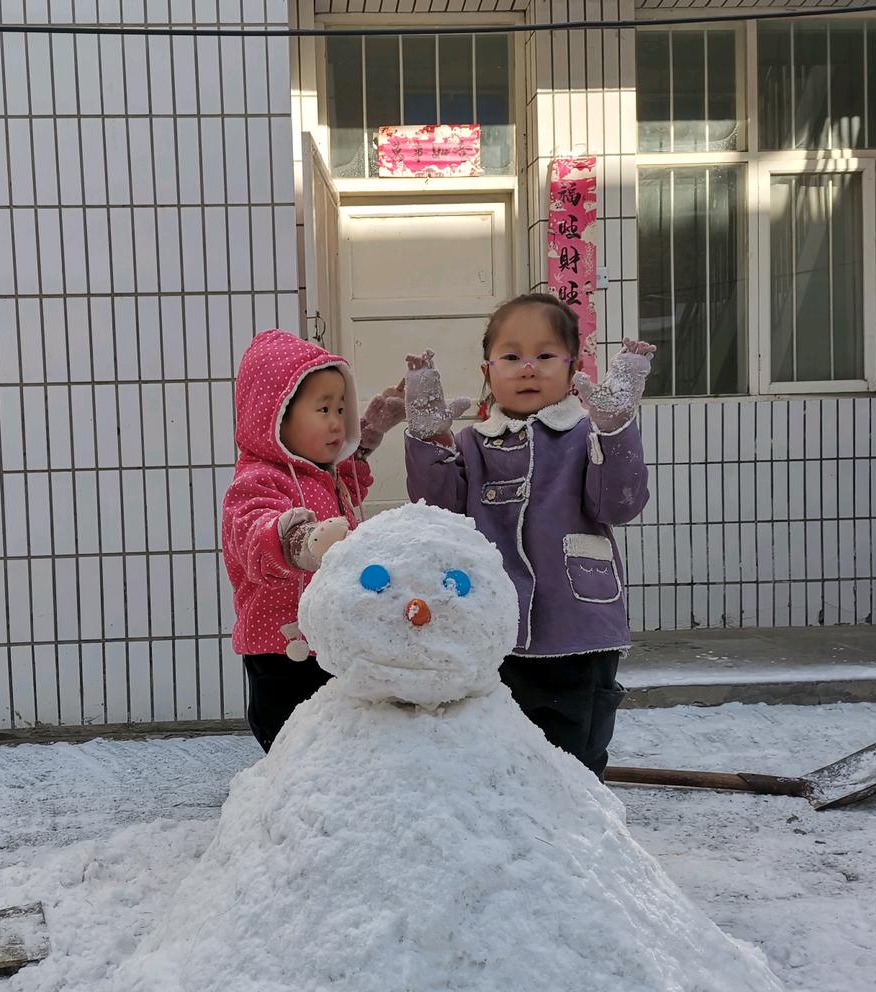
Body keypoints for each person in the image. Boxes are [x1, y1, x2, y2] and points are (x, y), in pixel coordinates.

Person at [400, 292, 654, 778]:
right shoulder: (471, 443)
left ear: (574, 368)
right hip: (493, 631)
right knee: (500, 756)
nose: (528, 368)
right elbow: (438, 511)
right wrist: (429, 441)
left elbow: (619, 506)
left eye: (545, 355)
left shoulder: (587, 434)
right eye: (512, 356)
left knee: (576, 753)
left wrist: (616, 428)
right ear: (487, 371)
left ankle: (577, 820)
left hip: (577, 627)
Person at [221, 329, 404, 752]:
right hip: (283, 646)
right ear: (276, 416)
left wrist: (367, 437)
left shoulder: (321, 475)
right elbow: (255, 535)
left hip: (330, 638)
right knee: (291, 738)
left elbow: (348, 493)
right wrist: (300, 542)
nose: (337, 422)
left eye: (341, 408)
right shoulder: (258, 480)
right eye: (323, 409)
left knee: (334, 737)